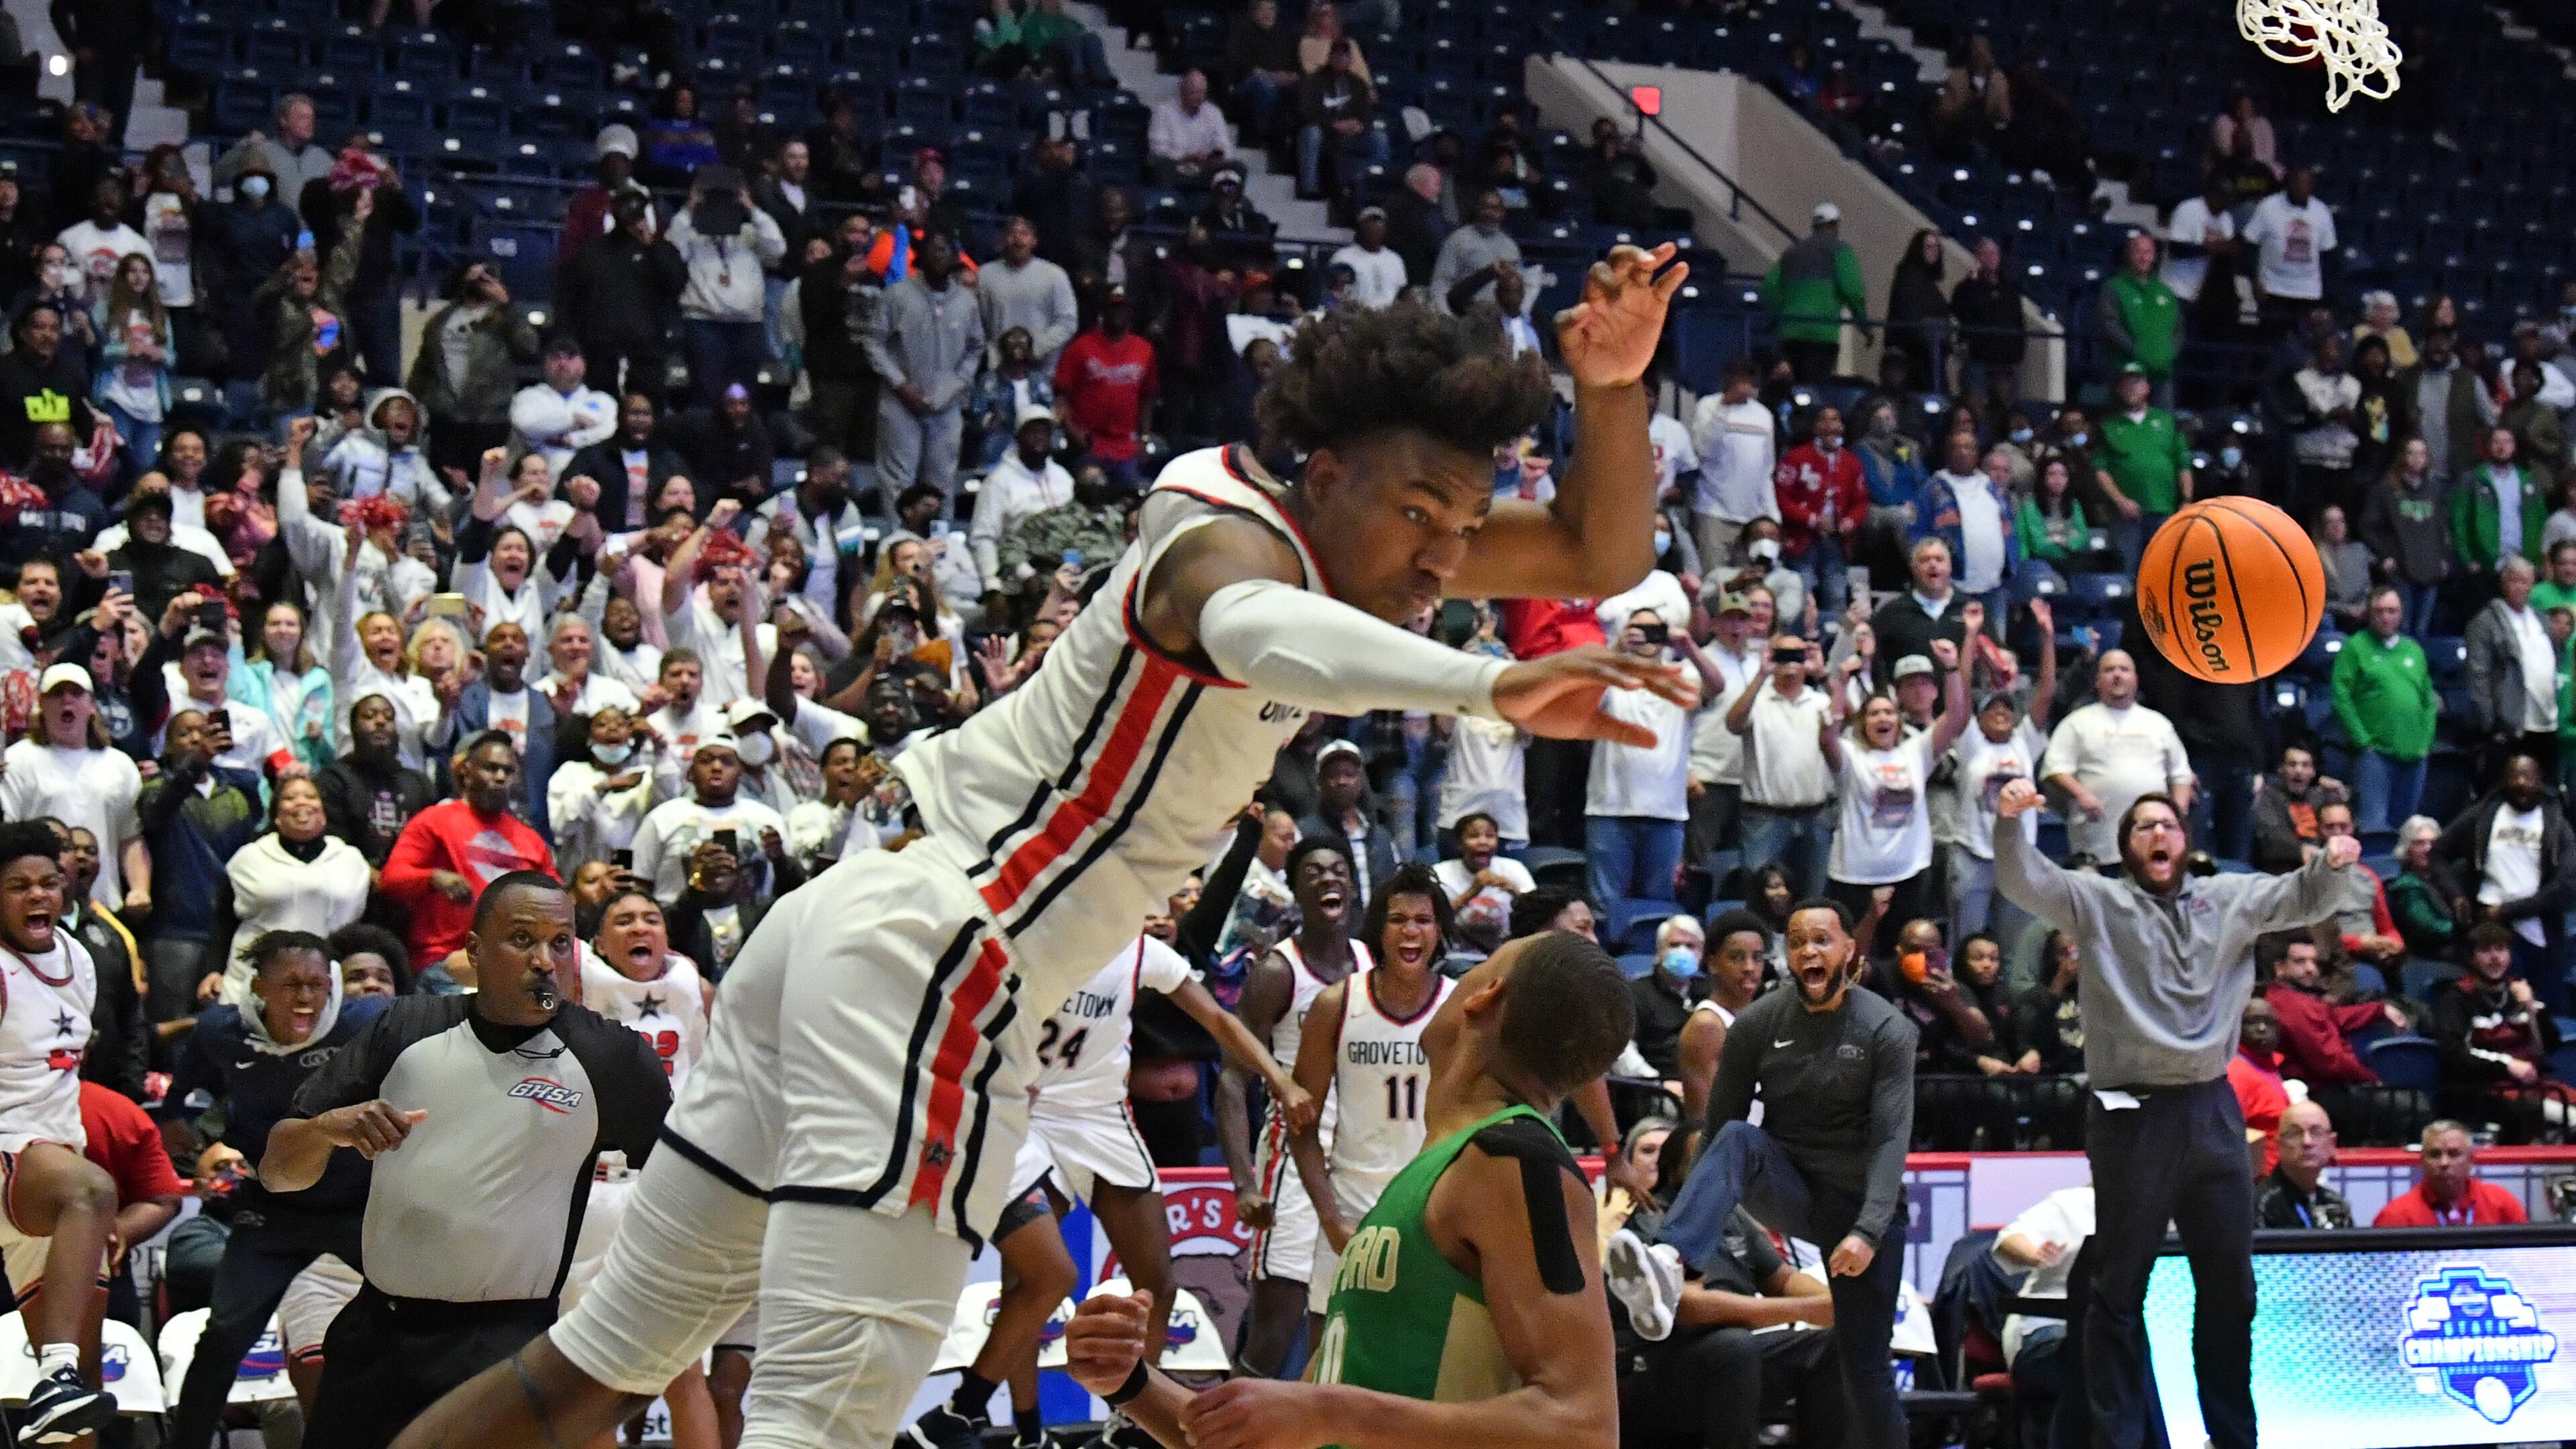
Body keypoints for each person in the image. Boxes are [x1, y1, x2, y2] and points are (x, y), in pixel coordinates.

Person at [388, 247, 1692, 1449]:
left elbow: (1597, 546)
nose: (1446, 560)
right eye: (1425, 517)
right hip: (933, 966)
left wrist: (1612, 391)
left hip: (843, 939)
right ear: (1332, 470)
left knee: (591, 1367)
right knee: (816, 1426)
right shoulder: (1218, 530)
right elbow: (1257, 633)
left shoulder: (1363, 558)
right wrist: (1481, 686)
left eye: (1466, 529)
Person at [1059, 930, 1635, 1449]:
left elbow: (1584, 1427)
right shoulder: (1437, 1172)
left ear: (1483, 999)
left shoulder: (1514, 1157)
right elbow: (1290, 1431)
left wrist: (1334, 1412)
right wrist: (1131, 1382)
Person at [1992, 780, 2359, 1449]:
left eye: (2168, 825)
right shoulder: (2098, 900)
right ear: (2125, 848)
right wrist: (2013, 821)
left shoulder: (2230, 898)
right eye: (2142, 828)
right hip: (2131, 1111)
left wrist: (2333, 864)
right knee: (2117, 1291)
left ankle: (2232, 1439)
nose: (2158, 835)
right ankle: (2115, 1440)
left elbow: (2303, 897)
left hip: (2212, 1108)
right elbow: (2024, 880)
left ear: (2186, 842)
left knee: (2231, 1293)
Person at [261, 873, 669, 1449]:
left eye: (560, 942)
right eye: (522, 939)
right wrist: (328, 1130)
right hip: (380, 1336)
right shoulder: (401, 1029)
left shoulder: (613, 1060)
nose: (544, 961)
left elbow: (685, 1188)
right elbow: (277, 1174)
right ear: (475, 951)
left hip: (507, 1348)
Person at [902, 914, 1312, 1449]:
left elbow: (1220, 1020)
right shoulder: (1028, 937)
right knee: (1041, 1277)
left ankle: (1123, 1422)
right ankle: (995, 1421)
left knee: (1157, 1281)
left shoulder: (1140, 951)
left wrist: (1280, 1079)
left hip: (1100, 1118)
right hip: (1027, 1116)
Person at [1606, 895, 1913, 1449]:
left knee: (1864, 1367)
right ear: (1788, 957)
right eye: (1797, 942)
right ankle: (1670, 1262)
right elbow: (1716, 1132)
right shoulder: (1756, 1025)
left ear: (1849, 949)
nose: (1809, 950)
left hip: (1862, 1205)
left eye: (1822, 939)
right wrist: (1688, 1213)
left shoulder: (1886, 1028)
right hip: (1790, 1186)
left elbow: (1893, 1140)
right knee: (1739, 1136)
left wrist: (1868, 1231)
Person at [164, 928, 390, 1449]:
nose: (307, 997)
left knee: (426, 1314)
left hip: (360, 1208)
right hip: (272, 1212)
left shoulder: (366, 1020)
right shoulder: (219, 1031)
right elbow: (179, 1108)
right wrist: (204, 1145)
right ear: (259, 987)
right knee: (224, 1335)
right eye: (291, 985)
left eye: (317, 984)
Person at [1218, 834, 1368, 1378]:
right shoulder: (1278, 973)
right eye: (1314, 873)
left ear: (1352, 888)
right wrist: (1244, 1184)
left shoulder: (1374, 963)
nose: (1329, 879)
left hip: (1360, 1159)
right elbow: (1232, 1081)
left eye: (1338, 871)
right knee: (1274, 1333)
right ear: (1297, 894)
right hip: (1293, 1162)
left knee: (1344, 1326)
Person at [1289, 867, 1460, 1342]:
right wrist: (1331, 1220)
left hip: (1431, 1205)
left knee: (1426, 1355)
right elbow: (1300, 1125)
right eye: (1398, 919)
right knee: (1328, 1354)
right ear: (1378, 931)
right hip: (1352, 1201)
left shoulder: (1458, 1009)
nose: (1411, 930)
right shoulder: (1336, 1005)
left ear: (1439, 930)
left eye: (1424, 920)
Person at [0, 821, 124, 1443]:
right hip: (10, 1154)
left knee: (81, 1406)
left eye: (48, 882)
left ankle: (58, 1388)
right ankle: (53, 1375)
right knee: (96, 1192)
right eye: (17, 886)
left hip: (53, 1159)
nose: (37, 895)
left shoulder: (79, 958)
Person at [378, 733, 559, 972]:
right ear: (467, 770)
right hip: (446, 959)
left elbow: (557, 899)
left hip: (515, 963)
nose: (500, 777)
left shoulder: (531, 840)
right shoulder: (434, 821)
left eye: (509, 771)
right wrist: (434, 878)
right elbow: (391, 879)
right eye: (491, 769)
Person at [2432, 752, 2576, 1006]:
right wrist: (2456, 896)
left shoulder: (2557, 824)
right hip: (2491, 931)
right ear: (2505, 781)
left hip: (2540, 933)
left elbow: (2565, 886)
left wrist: (2510, 911)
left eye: (2528, 778)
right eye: (2515, 777)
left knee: (2544, 1014)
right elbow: (2438, 854)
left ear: (2540, 782)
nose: (2521, 783)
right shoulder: (2483, 815)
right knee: (2500, 1015)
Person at [2, 663, 145, 914]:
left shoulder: (120, 765)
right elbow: (9, 837)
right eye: (57, 694)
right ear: (41, 705)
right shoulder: (18, 762)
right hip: (38, 905)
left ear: (91, 705)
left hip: (104, 906)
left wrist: (139, 889)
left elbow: (130, 838)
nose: (67, 700)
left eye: (76, 694)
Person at [2039, 650, 2194, 865]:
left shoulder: (2159, 724)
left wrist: (2176, 817)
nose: (2117, 675)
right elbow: (2053, 768)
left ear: (2136, 679)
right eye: (2109, 670)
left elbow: (2181, 775)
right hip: (2097, 841)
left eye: (2124, 669)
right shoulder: (2077, 722)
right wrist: (2082, 794)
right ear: (2098, 681)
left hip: (2152, 846)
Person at [2432, 921, 2573, 1136]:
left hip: (2531, 1087)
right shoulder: (2456, 998)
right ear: (2472, 958)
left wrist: (2532, 1009)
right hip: (2483, 1091)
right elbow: (2455, 1056)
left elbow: (2550, 1047)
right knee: (2569, 1117)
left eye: (2501, 949)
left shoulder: (2519, 993)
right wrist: (2508, 1066)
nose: (2495, 957)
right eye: (2485, 950)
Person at [1729, 632, 1836, 898]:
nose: (1790, 662)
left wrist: (1822, 674)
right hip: (1765, 817)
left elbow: (1856, 720)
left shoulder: (1820, 701)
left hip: (1815, 816)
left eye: (1796, 655)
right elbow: (1734, 723)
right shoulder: (1757, 699)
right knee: (1759, 897)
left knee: (1814, 897)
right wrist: (1762, 674)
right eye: (1783, 655)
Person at [2333, 585, 2438, 833]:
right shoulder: (2355, 647)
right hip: (2375, 755)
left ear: (2401, 614)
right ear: (2369, 613)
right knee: (2374, 830)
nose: (2386, 617)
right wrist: (2363, 741)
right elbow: (2341, 697)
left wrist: (2425, 744)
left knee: (2408, 832)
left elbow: (2428, 701)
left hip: (2414, 756)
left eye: (2392, 611)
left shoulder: (2413, 649)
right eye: (2379, 611)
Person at [1674, 909, 1768, 1120]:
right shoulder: (1707, 1026)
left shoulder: (1760, 1018)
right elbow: (1704, 1121)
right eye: (1736, 957)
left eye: (1758, 958)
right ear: (1713, 963)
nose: (1749, 967)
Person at [1764, 203, 1871, 383]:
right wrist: (1865, 327)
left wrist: (1780, 318)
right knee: (1815, 391)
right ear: (1835, 225)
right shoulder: (1841, 251)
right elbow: (1853, 292)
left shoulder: (1791, 252)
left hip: (1790, 334)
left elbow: (1770, 288)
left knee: (1791, 389)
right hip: (1822, 336)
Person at [2371, 1120, 2528, 1226]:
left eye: (2454, 1154)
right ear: (2422, 1160)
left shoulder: (2501, 1203)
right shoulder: (2395, 1216)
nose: (2444, 1163)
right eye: (2435, 1154)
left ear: (2471, 1160)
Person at [2255, 1099, 2353, 1228]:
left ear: (2332, 1144)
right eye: (2294, 1133)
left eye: (2316, 1132)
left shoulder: (2336, 1204)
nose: (2307, 1142)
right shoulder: (2261, 1204)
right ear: (2279, 1144)